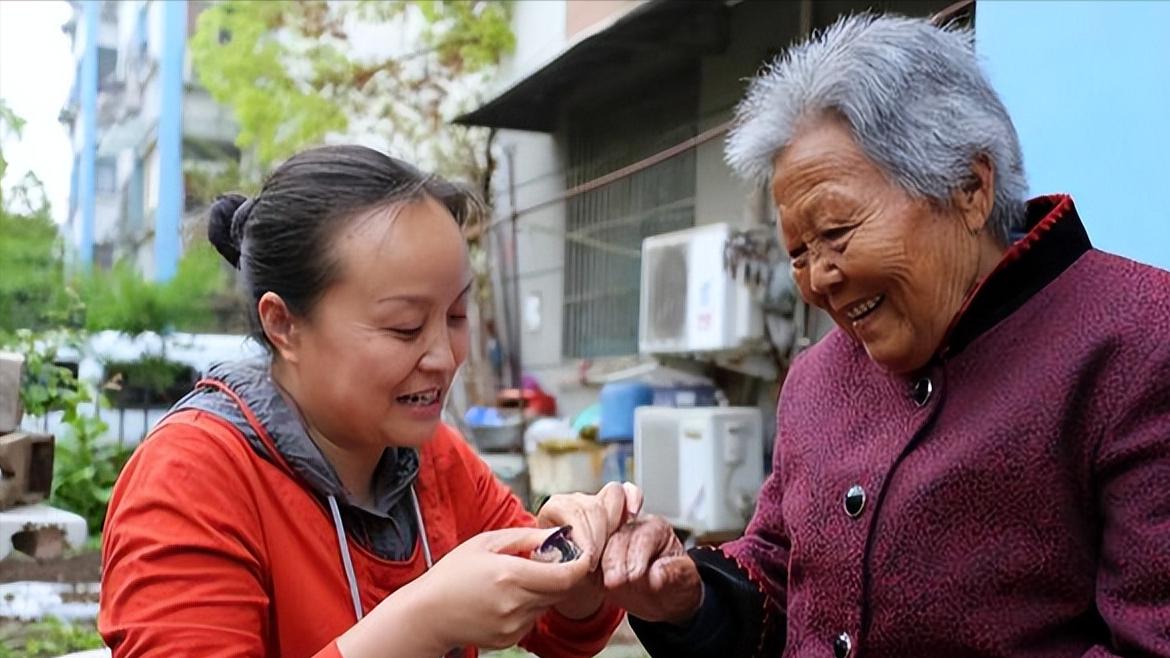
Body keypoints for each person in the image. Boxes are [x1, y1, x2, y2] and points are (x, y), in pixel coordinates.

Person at [601, 13, 1170, 658]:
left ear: (969, 188)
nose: (819, 278)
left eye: (838, 235)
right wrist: (689, 598)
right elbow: (780, 577)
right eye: (798, 252)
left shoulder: (1141, 339)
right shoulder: (817, 379)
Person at [99, 145, 637, 658]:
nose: (444, 357)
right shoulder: (190, 481)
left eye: (455, 316)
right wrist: (424, 622)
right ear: (283, 324)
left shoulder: (433, 459)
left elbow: (564, 632)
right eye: (404, 328)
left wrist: (578, 567)